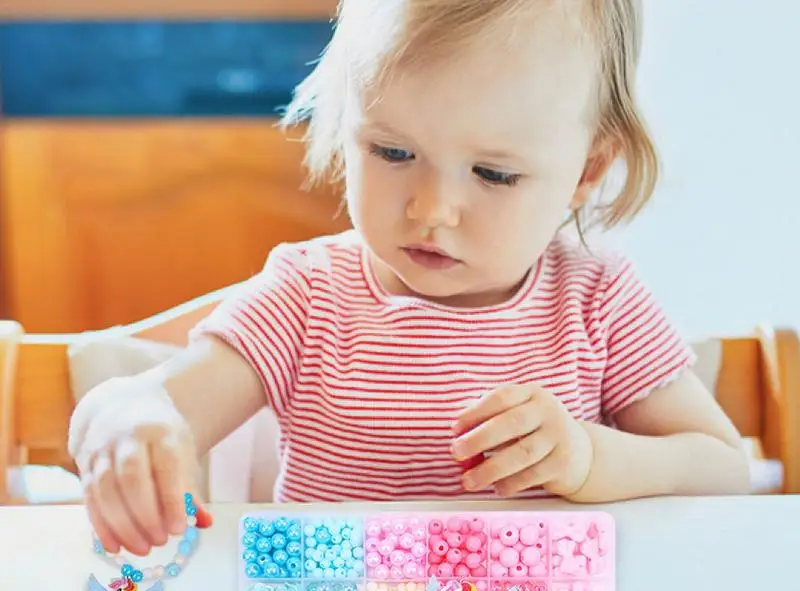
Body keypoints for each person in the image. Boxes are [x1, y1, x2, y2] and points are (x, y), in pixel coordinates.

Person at [69, 0, 749, 557]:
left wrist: (588, 460)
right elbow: (149, 398)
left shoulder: (598, 301)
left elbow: (721, 466)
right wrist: (130, 418)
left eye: (494, 174)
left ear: (588, 170)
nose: (431, 210)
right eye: (392, 151)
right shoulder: (308, 296)